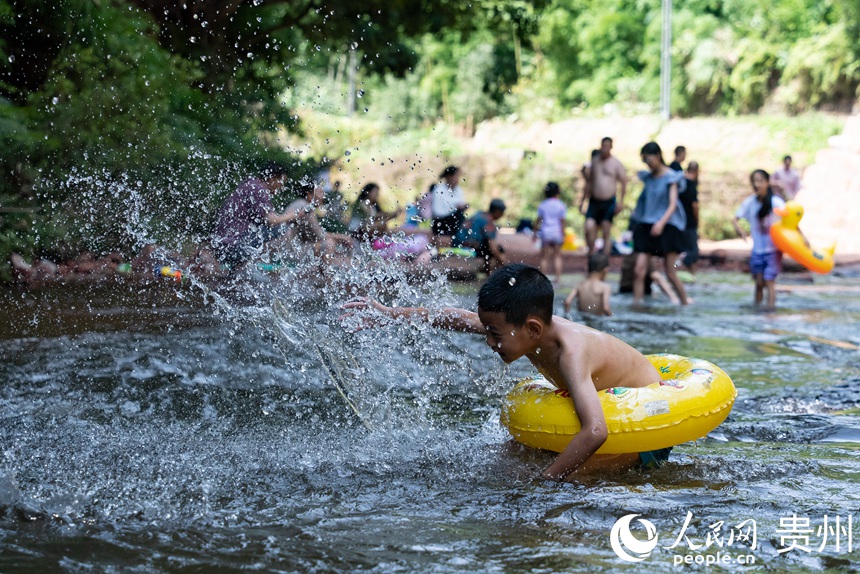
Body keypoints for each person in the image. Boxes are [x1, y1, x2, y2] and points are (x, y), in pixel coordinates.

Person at [343, 264, 670, 481]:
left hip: (647, 427)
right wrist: (391, 314)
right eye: (487, 330)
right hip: (614, 409)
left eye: (494, 334)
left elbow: (596, 432)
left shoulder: (572, 354)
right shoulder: (529, 330)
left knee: (553, 476)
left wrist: (547, 482)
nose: (487, 340)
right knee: (503, 460)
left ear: (532, 328)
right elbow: (456, 317)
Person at [631, 142, 689, 305]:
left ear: (658, 156)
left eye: (648, 159)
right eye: (644, 161)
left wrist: (661, 223)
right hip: (646, 224)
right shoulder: (648, 178)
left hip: (667, 225)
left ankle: (684, 302)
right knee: (638, 270)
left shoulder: (671, 176)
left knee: (670, 271)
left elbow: (672, 204)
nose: (647, 164)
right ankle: (637, 305)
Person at [211, 162, 298, 268]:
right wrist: (294, 215)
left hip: (222, 245)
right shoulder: (258, 189)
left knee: (262, 230)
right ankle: (254, 266)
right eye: (281, 181)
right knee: (281, 228)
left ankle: (243, 268)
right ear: (272, 178)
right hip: (232, 247)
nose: (282, 187)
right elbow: (271, 220)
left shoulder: (251, 184)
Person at [732, 169, 786, 309]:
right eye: (754, 181)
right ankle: (757, 311)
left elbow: (791, 221)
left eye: (760, 181)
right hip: (757, 250)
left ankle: (770, 311)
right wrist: (741, 232)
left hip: (773, 250)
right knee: (759, 282)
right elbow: (735, 219)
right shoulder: (750, 202)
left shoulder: (776, 202)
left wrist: (802, 239)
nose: (757, 184)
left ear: (767, 182)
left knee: (769, 281)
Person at [283, 179, 354, 260]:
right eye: (320, 192)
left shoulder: (300, 204)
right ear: (309, 195)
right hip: (289, 253)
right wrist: (342, 237)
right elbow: (319, 235)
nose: (323, 196)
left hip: (289, 250)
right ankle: (327, 271)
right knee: (329, 243)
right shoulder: (305, 207)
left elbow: (314, 235)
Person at [585, 137, 628, 256]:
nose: (604, 149)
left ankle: (604, 261)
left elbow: (624, 182)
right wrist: (583, 199)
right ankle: (591, 254)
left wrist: (621, 202)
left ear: (611, 147)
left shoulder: (616, 163)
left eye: (607, 146)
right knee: (589, 227)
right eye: (603, 146)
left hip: (608, 201)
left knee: (606, 231)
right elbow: (589, 181)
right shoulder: (595, 161)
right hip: (594, 201)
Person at [452, 199, 507, 272]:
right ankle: (490, 273)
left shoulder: (479, 213)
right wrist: (504, 263)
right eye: (502, 213)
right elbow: (493, 248)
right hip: (467, 247)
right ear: (497, 212)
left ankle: (484, 270)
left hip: (456, 243)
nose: (502, 215)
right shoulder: (489, 223)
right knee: (497, 249)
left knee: (487, 246)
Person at [534, 181, 568, 284]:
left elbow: (538, 220)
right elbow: (562, 221)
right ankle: (558, 279)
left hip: (545, 233)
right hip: (557, 233)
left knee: (544, 257)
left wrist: (534, 232)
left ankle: (543, 279)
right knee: (557, 256)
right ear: (558, 192)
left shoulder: (543, 205)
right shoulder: (561, 205)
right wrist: (563, 233)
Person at [430, 166, 467, 245]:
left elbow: (461, 204)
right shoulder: (439, 190)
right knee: (459, 216)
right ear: (449, 177)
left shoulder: (459, 189)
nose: (458, 179)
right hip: (441, 221)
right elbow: (437, 212)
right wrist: (454, 208)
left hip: (454, 220)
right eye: (456, 176)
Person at [680, 161, 700, 274]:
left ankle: (691, 274)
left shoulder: (681, 183)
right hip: (689, 222)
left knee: (687, 248)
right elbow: (695, 206)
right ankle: (678, 263)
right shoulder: (691, 184)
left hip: (680, 221)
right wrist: (697, 220)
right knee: (693, 251)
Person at [577, 149, 600, 215]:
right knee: (586, 195)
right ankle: (582, 207)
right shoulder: (591, 163)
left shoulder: (598, 164)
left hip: (595, 184)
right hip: (591, 183)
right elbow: (583, 169)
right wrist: (587, 178)